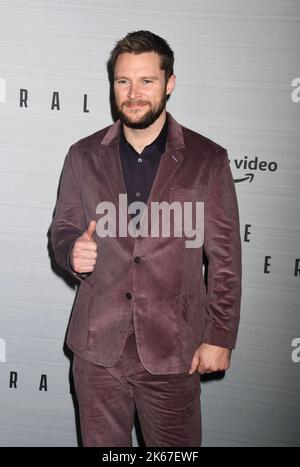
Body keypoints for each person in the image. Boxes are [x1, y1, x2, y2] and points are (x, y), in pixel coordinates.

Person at [49, 30, 242, 447]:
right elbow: (63, 229)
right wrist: (70, 251)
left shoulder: (208, 159)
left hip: (174, 352)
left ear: (169, 83)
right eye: (123, 81)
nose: (134, 93)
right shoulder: (82, 155)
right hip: (97, 349)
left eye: (147, 81)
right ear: (112, 85)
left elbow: (225, 259)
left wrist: (220, 336)